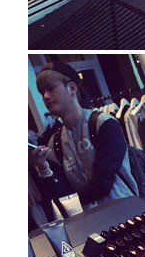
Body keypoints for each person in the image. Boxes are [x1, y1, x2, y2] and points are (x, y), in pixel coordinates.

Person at [33, 66, 132, 206]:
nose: (46, 96)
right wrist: (43, 168)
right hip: (90, 218)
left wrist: (72, 203)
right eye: (42, 92)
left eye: (50, 88)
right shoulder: (55, 143)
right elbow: (60, 196)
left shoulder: (103, 124)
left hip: (126, 210)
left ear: (72, 88)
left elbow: (103, 182)